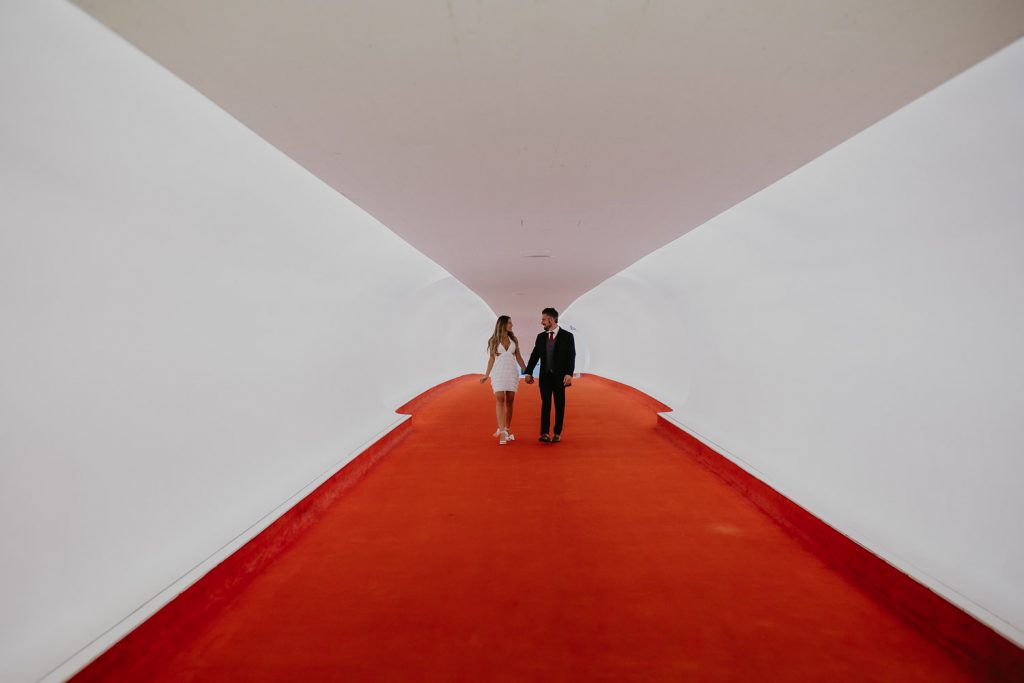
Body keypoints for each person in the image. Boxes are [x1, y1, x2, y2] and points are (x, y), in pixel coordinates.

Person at [524, 307, 576, 443]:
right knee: (545, 404)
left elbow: (571, 356)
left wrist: (569, 374)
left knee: (560, 405)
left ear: (551, 320)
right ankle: (545, 433)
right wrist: (528, 372)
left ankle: (557, 432)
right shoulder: (540, 337)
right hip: (545, 377)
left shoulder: (568, 336)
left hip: (560, 378)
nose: (542, 322)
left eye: (543, 319)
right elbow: (534, 355)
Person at [480, 315, 528, 445]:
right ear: (502, 325)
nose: (511, 325)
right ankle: (502, 432)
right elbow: (491, 358)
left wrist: (526, 371)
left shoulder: (514, 339)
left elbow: (518, 357)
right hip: (498, 371)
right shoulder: (493, 340)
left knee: (510, 400)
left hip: (511, 371)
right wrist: (486, 374)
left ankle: (507, 429)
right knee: (500, 398)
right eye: (509, 323)